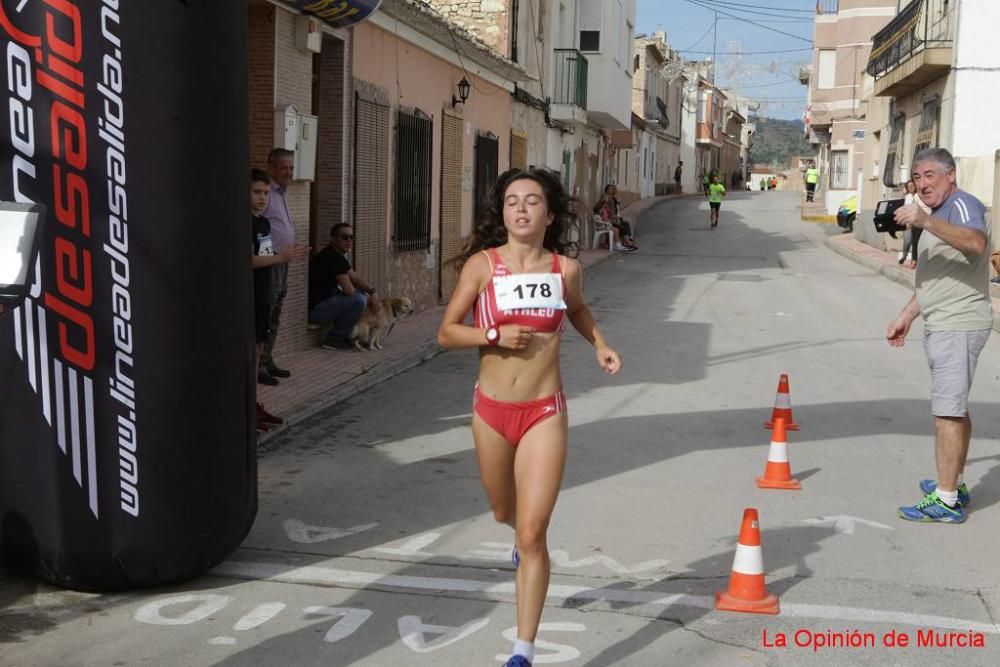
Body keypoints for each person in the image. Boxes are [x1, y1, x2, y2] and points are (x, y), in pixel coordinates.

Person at [437, 168, 621, 667]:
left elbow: (577, 310)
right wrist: (492, 336)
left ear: (550, 213)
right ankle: (519, 540)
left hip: (544, 410)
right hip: (491, 411)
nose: (521, 209)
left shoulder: (564, 270)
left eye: (532, 201)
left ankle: (523, 650)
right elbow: (447, 332)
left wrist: (600, 343)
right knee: (504, 513)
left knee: (533, 532)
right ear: (503, 213)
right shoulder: (482, 266)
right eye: (512, 201)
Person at [886, 148, 992, 524]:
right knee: (955, 408)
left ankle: (946, 500)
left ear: (951, 175)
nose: (922, 183)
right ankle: (953, 484)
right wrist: (907, 314)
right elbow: (939, 278)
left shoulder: (962, 206)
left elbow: (976, 244)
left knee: (946, 412)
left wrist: (924, 221)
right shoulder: (942, 213)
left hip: (958, 324)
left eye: (930, 174)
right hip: (943, 321)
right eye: (917, 176)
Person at [250, 169, 308, 431]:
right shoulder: (245, 223)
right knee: (251, 352)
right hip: (250, 295)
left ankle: (254, 406)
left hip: (263, 293)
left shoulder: (262, 223)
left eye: (265, 193)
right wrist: (281, 258)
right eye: (256, 192)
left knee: (259, 349)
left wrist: (283, 254)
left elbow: (263, 254)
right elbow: (250, 260)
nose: (263, 198)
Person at [308, 223, 379, 350]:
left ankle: (350, 336)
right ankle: (334, 338)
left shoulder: (337, 256)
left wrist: (372, 291)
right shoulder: (332, 258)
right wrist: (369, 301)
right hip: (315, 310)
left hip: (325, 303)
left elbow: (355, 278)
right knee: (358, 300)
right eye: (344, 237)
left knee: (361, 295)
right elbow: (349, 290)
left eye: (352, 237)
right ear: (333, 239)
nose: (349, 241)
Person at [259, 148, 296, 386]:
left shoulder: (281, 192)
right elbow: (257, 226)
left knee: (276, 314)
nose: (288, 172)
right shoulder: (266, 193)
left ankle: (268, 358)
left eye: (291, 168)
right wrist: (268, 256)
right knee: (266, 313)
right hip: (270, 262)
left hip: (283, 262)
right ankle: (259, 365)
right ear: (271, 167)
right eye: (283, 167)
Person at [594, 185, 637, 251]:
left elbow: (610, 214)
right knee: (620, 227)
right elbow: (603, 217)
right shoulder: (601, 208)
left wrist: (614, 216)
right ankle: (626, 244)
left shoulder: (608, 205)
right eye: (609, 189)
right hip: (606, 224)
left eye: (612, 189)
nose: (611, 190)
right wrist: (610, 218)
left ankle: (627, 242)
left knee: (623, 225)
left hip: (609, 221)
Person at [899, 179, 926, 268]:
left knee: (916, 241)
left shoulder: (918, 196)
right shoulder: (907, 197)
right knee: (908, 240)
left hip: (916, 222)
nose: (911, 188)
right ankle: (904, 256)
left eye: (912, 186)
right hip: (907, 222)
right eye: (909, 186)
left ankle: (914, 260)